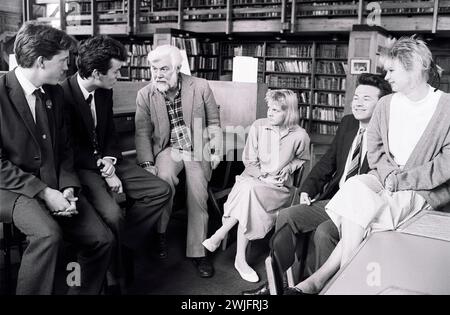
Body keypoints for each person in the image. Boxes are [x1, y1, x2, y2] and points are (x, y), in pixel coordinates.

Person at [286, 35, 450, 295]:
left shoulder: (447, 108)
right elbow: (374, 149)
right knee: (353, 187)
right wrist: (388, 177)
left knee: (365, 217)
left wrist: (399, 181)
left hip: (421, 190)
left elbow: (445, 165)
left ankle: (320, 280)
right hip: (381, 179)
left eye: (392, 70)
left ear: (415, 66)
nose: (387, 77)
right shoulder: (386, 104)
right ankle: (345, 276)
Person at [243, 73, 392, 295]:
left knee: (324, 232)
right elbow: (326, 163)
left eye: (367, 99)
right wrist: (307, 189)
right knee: (288, 215)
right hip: (334, 200)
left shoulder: (388, 133)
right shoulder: (348, 123)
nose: (358, 102)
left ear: (381, 104)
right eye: (356, 97)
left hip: (360, 210)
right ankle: (282, 283)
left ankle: (325, 288)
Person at [0, 22, 114, 295]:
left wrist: (68, 187)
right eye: (64, 61)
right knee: (48, 235)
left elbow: (65, 149)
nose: (69, 68)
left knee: (103, 240)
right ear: (41, 61)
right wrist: (44, 192)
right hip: (11, 187)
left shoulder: (56, 93)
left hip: (55, 183)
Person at [61, 36, 172, 290]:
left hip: (108, 161)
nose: (119, 76)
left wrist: (110, 160)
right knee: (113, 215)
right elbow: (67, 148)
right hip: (83, 167)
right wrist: (103, 167)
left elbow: (109, 132)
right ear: (97, 73)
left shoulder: (104, 91)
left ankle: (123, 245)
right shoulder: (62, 96)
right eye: (116, 70)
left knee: (160, 190)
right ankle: (118, 267)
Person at [202, 89, 310, 283]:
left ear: (289, 112)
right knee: (249, 190)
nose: (269, 113)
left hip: (278, 189)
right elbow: (249, 160)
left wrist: (290, 167)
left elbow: (302, 159)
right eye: (269, 108)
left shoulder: (300, 135)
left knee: (247, 192)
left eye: (276, 110)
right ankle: (240, 259)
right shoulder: (258, 126)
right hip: (253, 179)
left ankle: (220, 233)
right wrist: (262, 175)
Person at [135, 44, 222, 278]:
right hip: (168, 149)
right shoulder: (145, 94)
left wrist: (215, 150)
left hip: (197, 149)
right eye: (154, 69)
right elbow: (142, 132)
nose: (158, 74)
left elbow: (214, 122)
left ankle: (198, 252)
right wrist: (146, 164)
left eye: (164, 69)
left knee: (198, 195)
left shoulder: (200, 86)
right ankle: (160, 234)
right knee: (163, 182)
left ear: (178, 67)